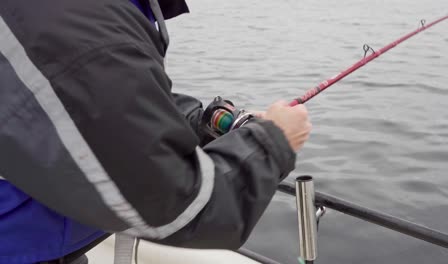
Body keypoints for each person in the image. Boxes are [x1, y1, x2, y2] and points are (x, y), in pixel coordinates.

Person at [0, 0, 312, 263]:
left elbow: (91, 99)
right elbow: (176, 206)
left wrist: (203, 122)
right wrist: (274, 142)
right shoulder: (79, 21)